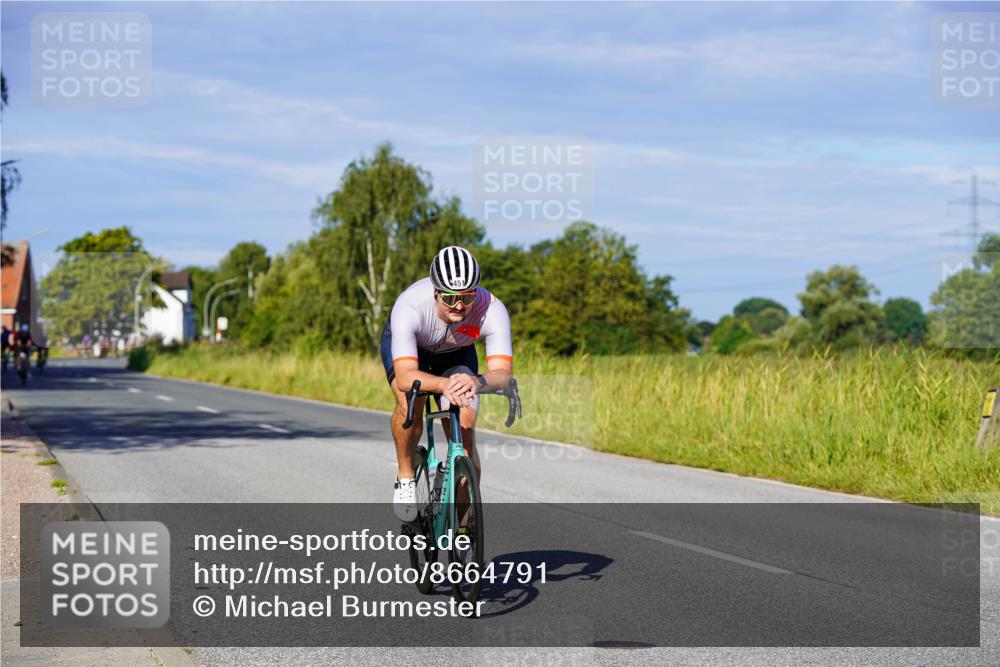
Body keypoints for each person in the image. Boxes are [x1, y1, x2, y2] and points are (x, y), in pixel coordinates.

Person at [382, 246, 513, 521]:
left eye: (466, 297)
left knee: (465, 431)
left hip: (456, 354)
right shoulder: (409, 306)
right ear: (435, 292)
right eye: (451, 297)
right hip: (414, 352)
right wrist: (442, 386)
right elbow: (406, 377)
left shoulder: (492, 308)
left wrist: (476, 382)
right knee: (411, 401)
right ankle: (405, 475)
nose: (459, 305)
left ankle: (465, 529)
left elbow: (503, 373)